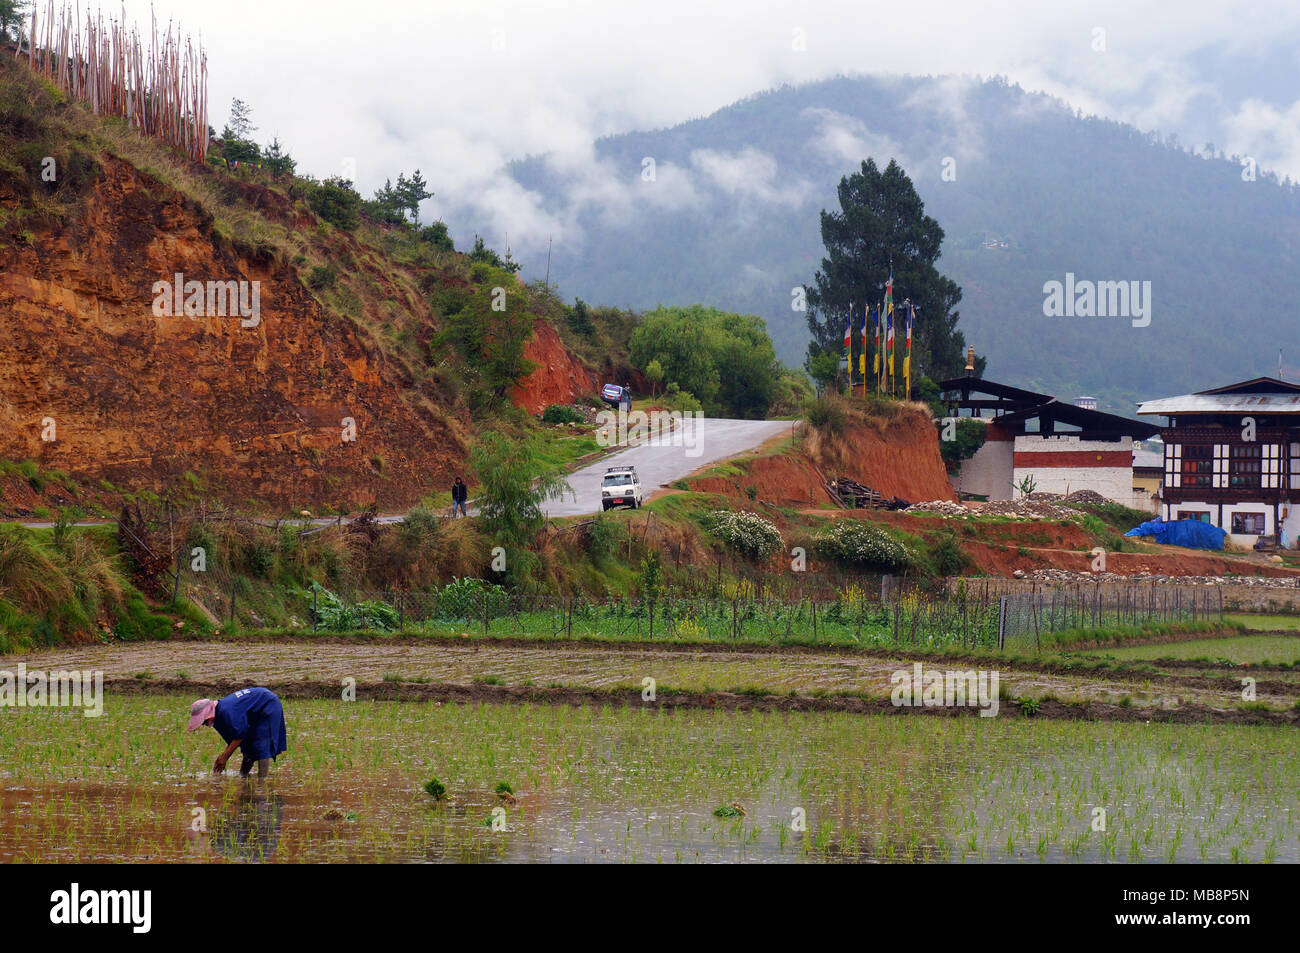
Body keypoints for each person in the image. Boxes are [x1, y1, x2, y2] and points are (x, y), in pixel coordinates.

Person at [188, 687, 288, 778]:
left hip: (267, 704)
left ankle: (261, 782)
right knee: (248, 746)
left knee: (262, 745)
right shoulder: (218, 718)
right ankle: (243, 776)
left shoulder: (226, 711)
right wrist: (223, 756)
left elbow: (239, 736)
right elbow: (234, 738)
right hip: (254, 710)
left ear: (207, 715)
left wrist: (224, 757)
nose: (203, 724)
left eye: (204, 721)